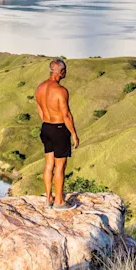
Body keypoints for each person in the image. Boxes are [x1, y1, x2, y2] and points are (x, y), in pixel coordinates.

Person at [35, 58, 80, 209]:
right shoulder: (61, 91)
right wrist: (73, 134)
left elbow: (40, 109)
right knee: (60, 166)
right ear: (61, 72)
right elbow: (66, 115)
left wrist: (47, 122)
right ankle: (59, 202)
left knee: (49, 164)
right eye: (65, 70)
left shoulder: (40, 88)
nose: (66, 72)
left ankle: (48, 199)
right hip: (59, 129)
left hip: (46, 127)